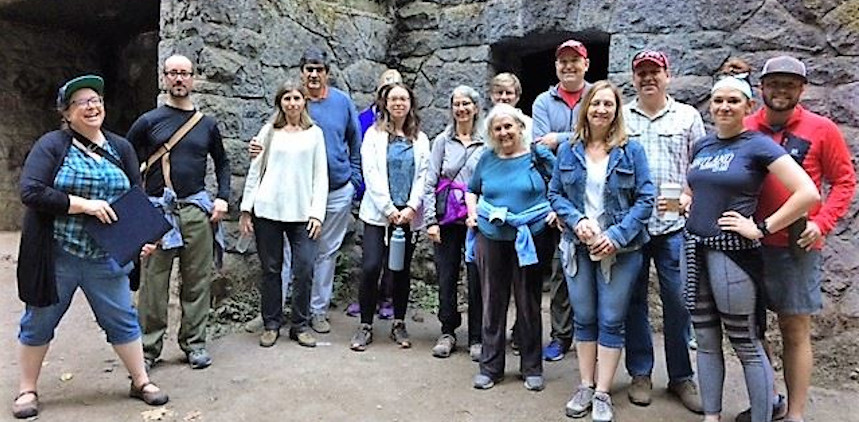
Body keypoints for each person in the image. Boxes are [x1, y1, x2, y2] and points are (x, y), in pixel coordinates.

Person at [13, 75, 168, 419]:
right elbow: (31, 190)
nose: (92, 106)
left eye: (96, 99)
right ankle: (27, 389)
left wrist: (140, 239)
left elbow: (134, 196)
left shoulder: (120, 147)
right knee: (39, 320)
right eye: (82, 102)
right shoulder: (52, 145)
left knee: (122, 319)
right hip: (58, 253)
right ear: (66, 113)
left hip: (107, 255)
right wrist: (83, 205)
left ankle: (140, 381)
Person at [684, 76, 818, 422]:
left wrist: (761, 228)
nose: (724, 107)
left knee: (746, 341)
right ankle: (711, 417)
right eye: (717, 101)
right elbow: (696, 187)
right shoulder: (702, 145)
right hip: (695, 248)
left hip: (733, 254)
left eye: (732, 100)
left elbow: (807, 193)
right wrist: (687, 200)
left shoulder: (757, 145)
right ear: (710, 106)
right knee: (706, 338)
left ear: (748, 107)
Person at [736, 55, 856, 422]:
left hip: (796, 245)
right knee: (752, 328)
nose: (781, 90)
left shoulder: (822, 129)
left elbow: (844, 181)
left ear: (802, 89)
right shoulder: (744, 126)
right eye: (774, 83)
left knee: (794, 327)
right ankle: (768, 399)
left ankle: (796, 413)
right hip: (748, 243)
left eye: (789, 84)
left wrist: (821, 223)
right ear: (762, 88)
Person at [548, 80, 655, 421]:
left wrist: (618, 235)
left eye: (608, 104)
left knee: (611, 319)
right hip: (577, 246)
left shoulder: (631, 150)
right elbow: (555, 195)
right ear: (585, 108)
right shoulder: (569, 149)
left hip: (621, 251)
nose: (601, 110)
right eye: (595, 103)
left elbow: (646, 199)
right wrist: (576, 220)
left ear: (616, 110)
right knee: (584, 317)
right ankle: (584, 383)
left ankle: (603, 392)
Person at [127, 54, 230, 371]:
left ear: (193, 78)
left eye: (184, 73)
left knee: (197, 281)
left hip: (196, 211)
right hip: (159, 213)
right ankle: (148, 347)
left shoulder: (207, 124)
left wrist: (223, 198)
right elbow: (127, 161)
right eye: (173, 73)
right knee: (154, 285)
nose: (179, 79)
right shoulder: (148, 121)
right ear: (164, 78)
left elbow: (222, 163)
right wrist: (137, 205)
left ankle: (194, 343)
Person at [250, 47, 363, 335]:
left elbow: (355, 140)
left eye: (319, 69)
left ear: (327, 73)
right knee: (284, 257)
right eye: (309, 69)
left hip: (335, 188)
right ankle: (277, 312)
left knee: (324, 254)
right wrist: (257, 149)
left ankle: (317, 312)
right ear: (301, 73)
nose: (313, 74)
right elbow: (268, 144)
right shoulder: (291, 102)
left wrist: (354, 179)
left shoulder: (341, 102)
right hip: (293, 195)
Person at [622, 50, 704, 412]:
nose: (648, 78)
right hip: (633, 227)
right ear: (633, 77)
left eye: (654, 71)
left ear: (668, 75)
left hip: (673, 228)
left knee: (678, 301)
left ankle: (681, 377)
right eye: (641, 72)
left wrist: (688, 197)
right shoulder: (622, 116)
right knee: (633, 301)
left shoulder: (688, 116)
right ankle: (640, 373)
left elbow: (701, 167)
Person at [466, 103, 558, 391]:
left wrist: (556, 210)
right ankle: (490, 368)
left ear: (520, 127)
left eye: (509, 126)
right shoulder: (487, 158)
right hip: (491, 236)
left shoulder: (538, 155)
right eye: (498, 128)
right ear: (492, 133)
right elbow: (472, 189)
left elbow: (561, 185)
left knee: (528, 301)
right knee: (493, 301)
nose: (504, 132)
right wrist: (472, 213)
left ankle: (531, 367)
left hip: (531, 235)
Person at [239, 80, 328, 348]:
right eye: (286, 98)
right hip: (268, 210)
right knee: (271, 269)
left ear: (304, 102)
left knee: (304, 267)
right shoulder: (268, 132)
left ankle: (300, 324)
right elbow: (256, 170)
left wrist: (317, 214)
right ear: (280, 102)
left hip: (303, 213)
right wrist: (246, 209)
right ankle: (271, 323)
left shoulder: (315, 134)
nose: (292, 103)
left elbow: (320, 176)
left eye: (296, 98)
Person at [350, 82, 430, 351]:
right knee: (372, 266)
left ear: (410, 103)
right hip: (378, 215)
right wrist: (388, 209)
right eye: (393, 99)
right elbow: (370, 173)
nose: (398, 103)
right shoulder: (373, 135)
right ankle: (365, 325)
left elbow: (423, 176)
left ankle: (398, 322)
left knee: (401, 270)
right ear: (385, 103)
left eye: (403, 99)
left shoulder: (420, 138)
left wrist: (410, 207)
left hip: (407, 215)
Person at [531, 39, 593, 362]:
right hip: (556, 201)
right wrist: (561, 196)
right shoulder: (543, 101)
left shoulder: (597, 96)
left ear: (586, 64)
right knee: (559, 270)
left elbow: (601, 135)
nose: (568, 66)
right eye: (563, 62)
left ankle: (592, 336)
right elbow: (540, 148)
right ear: (556, 67)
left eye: (575, 61)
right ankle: (560, 335)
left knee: (596, 269)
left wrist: (561, 138)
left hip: (595, 196)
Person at [423, 85, 486, 360]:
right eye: (456, 104)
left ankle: (477, 336)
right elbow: (429, 181)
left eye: (466, 104)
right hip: (446, 217)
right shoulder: (442, 141)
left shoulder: (486, 140)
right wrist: (430, 221)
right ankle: (447, 330)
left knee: (477, 277)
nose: (461, 109)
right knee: (446, 275)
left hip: (475, 219)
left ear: (475, 107)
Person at [349, 68, 404, 320]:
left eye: (395, 89)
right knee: (370, 258)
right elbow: (358, 155)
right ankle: (367, 302)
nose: (389, 95)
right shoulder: (363, 120)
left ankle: (388, 298)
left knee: (396, 255)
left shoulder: (408, 124)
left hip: (401, 203)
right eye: (385, 89)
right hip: (370, 197)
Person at [489, 72, 532, 143]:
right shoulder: (483, 125)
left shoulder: (529, 124)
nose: (503, 97)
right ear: (491, 96)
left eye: (508, 93)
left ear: (517, 96)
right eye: (499, 93)